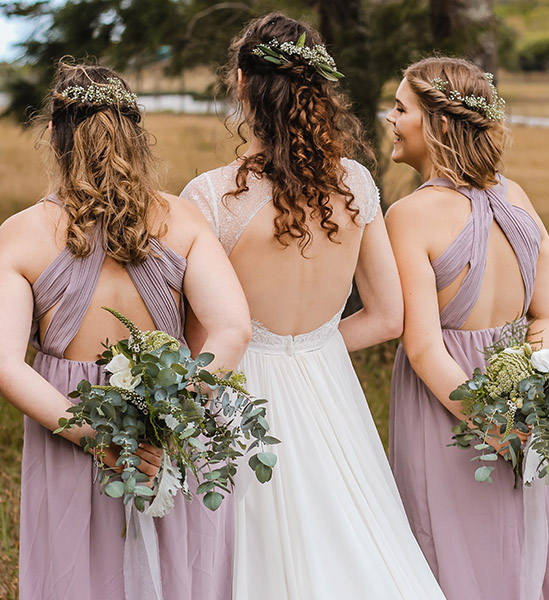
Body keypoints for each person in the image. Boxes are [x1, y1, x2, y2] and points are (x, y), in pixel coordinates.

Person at [181, 12, 447, 600]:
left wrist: (266, 353)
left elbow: (197, 335)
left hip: (236, 391)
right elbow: (388, 316)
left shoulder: (210, 197)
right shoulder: (355, 184)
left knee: (243, 546)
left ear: (243, 84)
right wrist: (310, 348)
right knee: (351, 536)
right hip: (329, 385)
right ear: (317, 88)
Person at [0, 62, 251, 600]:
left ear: (54, 134)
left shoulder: (19, 235)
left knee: (78, 572)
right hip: (171, 431)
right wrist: (165, 422)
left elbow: (5, 365)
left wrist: (98, 438)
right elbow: (233, 329)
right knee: (181, 570)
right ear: (136, 133)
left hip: (68, 425)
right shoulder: (183, 220)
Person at [385, 56, 549, 600]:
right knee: (524, 543)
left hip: (446, 408)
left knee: (447, 547)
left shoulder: (408, 215)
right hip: (525, 404)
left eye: (401, 109)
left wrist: (492, 423)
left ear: (438, 123)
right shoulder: (516, 196)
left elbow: (425, 348)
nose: (390, 119)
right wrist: (531, 394)